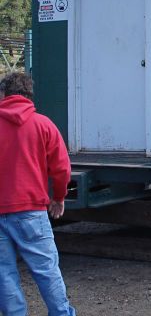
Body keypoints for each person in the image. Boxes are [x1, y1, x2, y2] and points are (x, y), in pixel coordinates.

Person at [0, 72, 76, 315]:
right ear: (30, 95)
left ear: (4, 94)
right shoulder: (43, 124)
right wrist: (59, 197)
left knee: (4, 274)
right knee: (46, 271)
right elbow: (62, 169)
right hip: (31, 212)